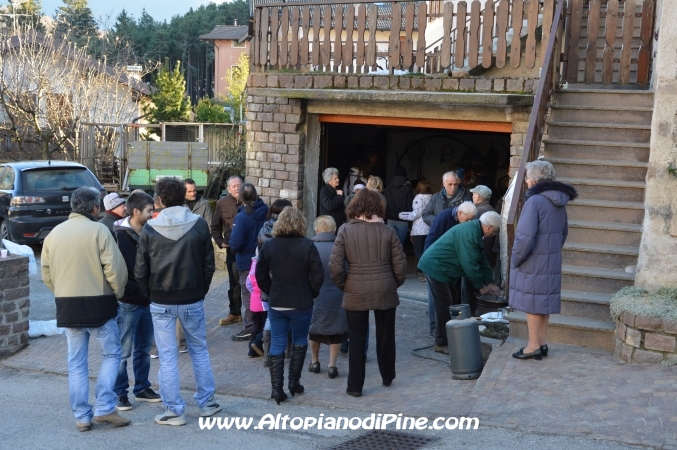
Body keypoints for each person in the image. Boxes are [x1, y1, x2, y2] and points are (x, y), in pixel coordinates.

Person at [41, 187, 130, 431]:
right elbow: (116, 270)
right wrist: (117, 293)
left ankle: (82, 416)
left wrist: (61, 293)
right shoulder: (100, 230)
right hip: (99, 303)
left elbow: (46, 274)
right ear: (94, 208)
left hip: (67, 305)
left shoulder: (54, 234)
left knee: (76, 363)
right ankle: (104, 408)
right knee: (112, 354)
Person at [135, 177, 220, 426]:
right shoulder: (199, 225)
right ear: (184, 196)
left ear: (160, 199)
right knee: (199, 350)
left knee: (168, 355)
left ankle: (174, 410)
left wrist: (152, 294)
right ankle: (207, 404)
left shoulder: (150, 228)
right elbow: (208, 265)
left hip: (161, 298)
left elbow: (140, 270)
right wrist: (200, 291)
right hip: (192, 296)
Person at [330, 189, 407, 397]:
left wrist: (345, 285)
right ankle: (387, 375)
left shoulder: (345, 230)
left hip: (355, 287)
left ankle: (355, 387)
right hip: (384, 287)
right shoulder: (388, 231)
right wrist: (392, 284)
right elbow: (400, 267)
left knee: (356, 340)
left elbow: (336, 267)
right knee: (386, 336)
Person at [510, 160, 577, 361]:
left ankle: (532, 346)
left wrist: (515, 259)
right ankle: (541, 342)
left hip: (533, 260)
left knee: (532, 303)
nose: (527, 183)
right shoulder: (559, 202)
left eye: (529, 180)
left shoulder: (535, 201)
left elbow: (524, 237)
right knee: (544, 301)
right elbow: (563, 232)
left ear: (537, 180)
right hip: (551, 258)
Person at [256, 207, 324, 405]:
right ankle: (294, 383)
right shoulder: (308, 245)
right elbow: (317, 274)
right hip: (301, 301)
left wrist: (271, 290)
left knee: (277, 342)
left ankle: (277, 389)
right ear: (301, 223)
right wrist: (310, 292)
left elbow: (260, 274)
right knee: (299, 341)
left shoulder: (269, 246)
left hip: (278, 301)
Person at [418, 212, 502, 354]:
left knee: (450, 302)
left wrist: (490, 282)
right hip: (435, 267)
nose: (494, 235)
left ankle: (449, 337)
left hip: (442, 268)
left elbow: (481, 260)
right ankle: (441, 342)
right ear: (488, 227)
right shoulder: (470, 233)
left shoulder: (474, 231)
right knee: (444, 304)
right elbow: (469, 264)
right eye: (495, 231)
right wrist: (480, 286)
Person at [113, 191, 162, 411]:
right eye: (149, 210)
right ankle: (119, 393)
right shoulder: (118, 234)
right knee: (123, 351)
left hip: (148, 300)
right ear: (136, 212)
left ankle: (141, 387)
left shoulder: (150, 231)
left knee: (143, 349)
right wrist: (129, 290)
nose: (153, 214)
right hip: (129, 301)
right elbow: (116, 269)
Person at [423, 200, 477, 335]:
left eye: (472, 219)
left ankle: (451, 327)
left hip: (450, 265)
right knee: (436, 299)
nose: (469, 222)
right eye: (467, 218)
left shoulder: (462, 220)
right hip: (436, 264)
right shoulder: (444, 217)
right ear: (459, 213)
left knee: (452, 296)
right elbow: (431, 239)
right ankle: (435, 329)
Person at [307, 216, 348, 379]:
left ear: (316, 230)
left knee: (315, 328)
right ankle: (332, 365)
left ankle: (315, 362)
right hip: (337, 293)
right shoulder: (341, 247)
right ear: (334, 229)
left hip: (315, 294)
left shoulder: (309, 246)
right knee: (336, 329)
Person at [229, 183, 269, 342]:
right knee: (264, 293)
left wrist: (234, 249)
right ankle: (263, 325)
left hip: (247, 261)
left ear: (241, 198)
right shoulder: (266, 210)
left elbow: (236, 243)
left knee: (249, 295)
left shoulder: (242, 216)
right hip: (265, 259)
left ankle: (250, 328)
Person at [256, 198, 293, 366]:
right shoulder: (290, 231)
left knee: (271, 317)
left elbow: (259, 262)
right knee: (291, 314)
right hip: (286, 280)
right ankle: (288, 350)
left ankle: (267, 354)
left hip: (270, 281)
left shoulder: (263, 229)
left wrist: (266, 287)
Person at [211, 176, 243, 327]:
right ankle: (235, 313)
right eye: (234, 186)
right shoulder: (222, 204)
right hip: (233, 250)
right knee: (235, 283)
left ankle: (255, 315)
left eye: (239, 185)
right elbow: (215, 227)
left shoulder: (250, 201)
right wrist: (219, 241)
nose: (237, 188)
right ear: (228, 188)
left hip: (250, 249)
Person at [399, 178, 432, 282]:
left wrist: (401, 215)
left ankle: (426, 271)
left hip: (419, 229)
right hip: (429, 228)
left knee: (417, 251)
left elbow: (415, 214)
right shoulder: (432, 198)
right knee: (425, 250)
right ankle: (421, 272)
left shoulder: (418, 198)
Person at [385, 166, 413, 247]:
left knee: (390, 247)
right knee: (399, 248)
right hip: (403, 221)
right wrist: (411, 224)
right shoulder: (408, 187)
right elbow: (409, 205)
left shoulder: (388, 187)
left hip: (390, 219)